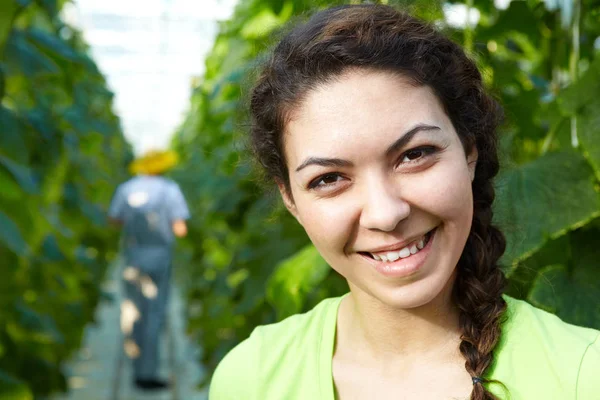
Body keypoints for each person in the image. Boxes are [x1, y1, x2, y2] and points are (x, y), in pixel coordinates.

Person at [209, 4, 600, 400]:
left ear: (469, 151)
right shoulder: (249, 379)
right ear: (290, 199)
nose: (385, 213)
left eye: (414, 155)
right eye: (329, 179)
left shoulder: (584, 375)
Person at [108, 149, 190, 390]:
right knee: (154, 315)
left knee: (133, 311)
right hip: (159, 259)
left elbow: (114, 220)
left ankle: (135, 367)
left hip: (134, 257)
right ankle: (147, 373)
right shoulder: (170, 190)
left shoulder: (125, 189)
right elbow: (180, 229)